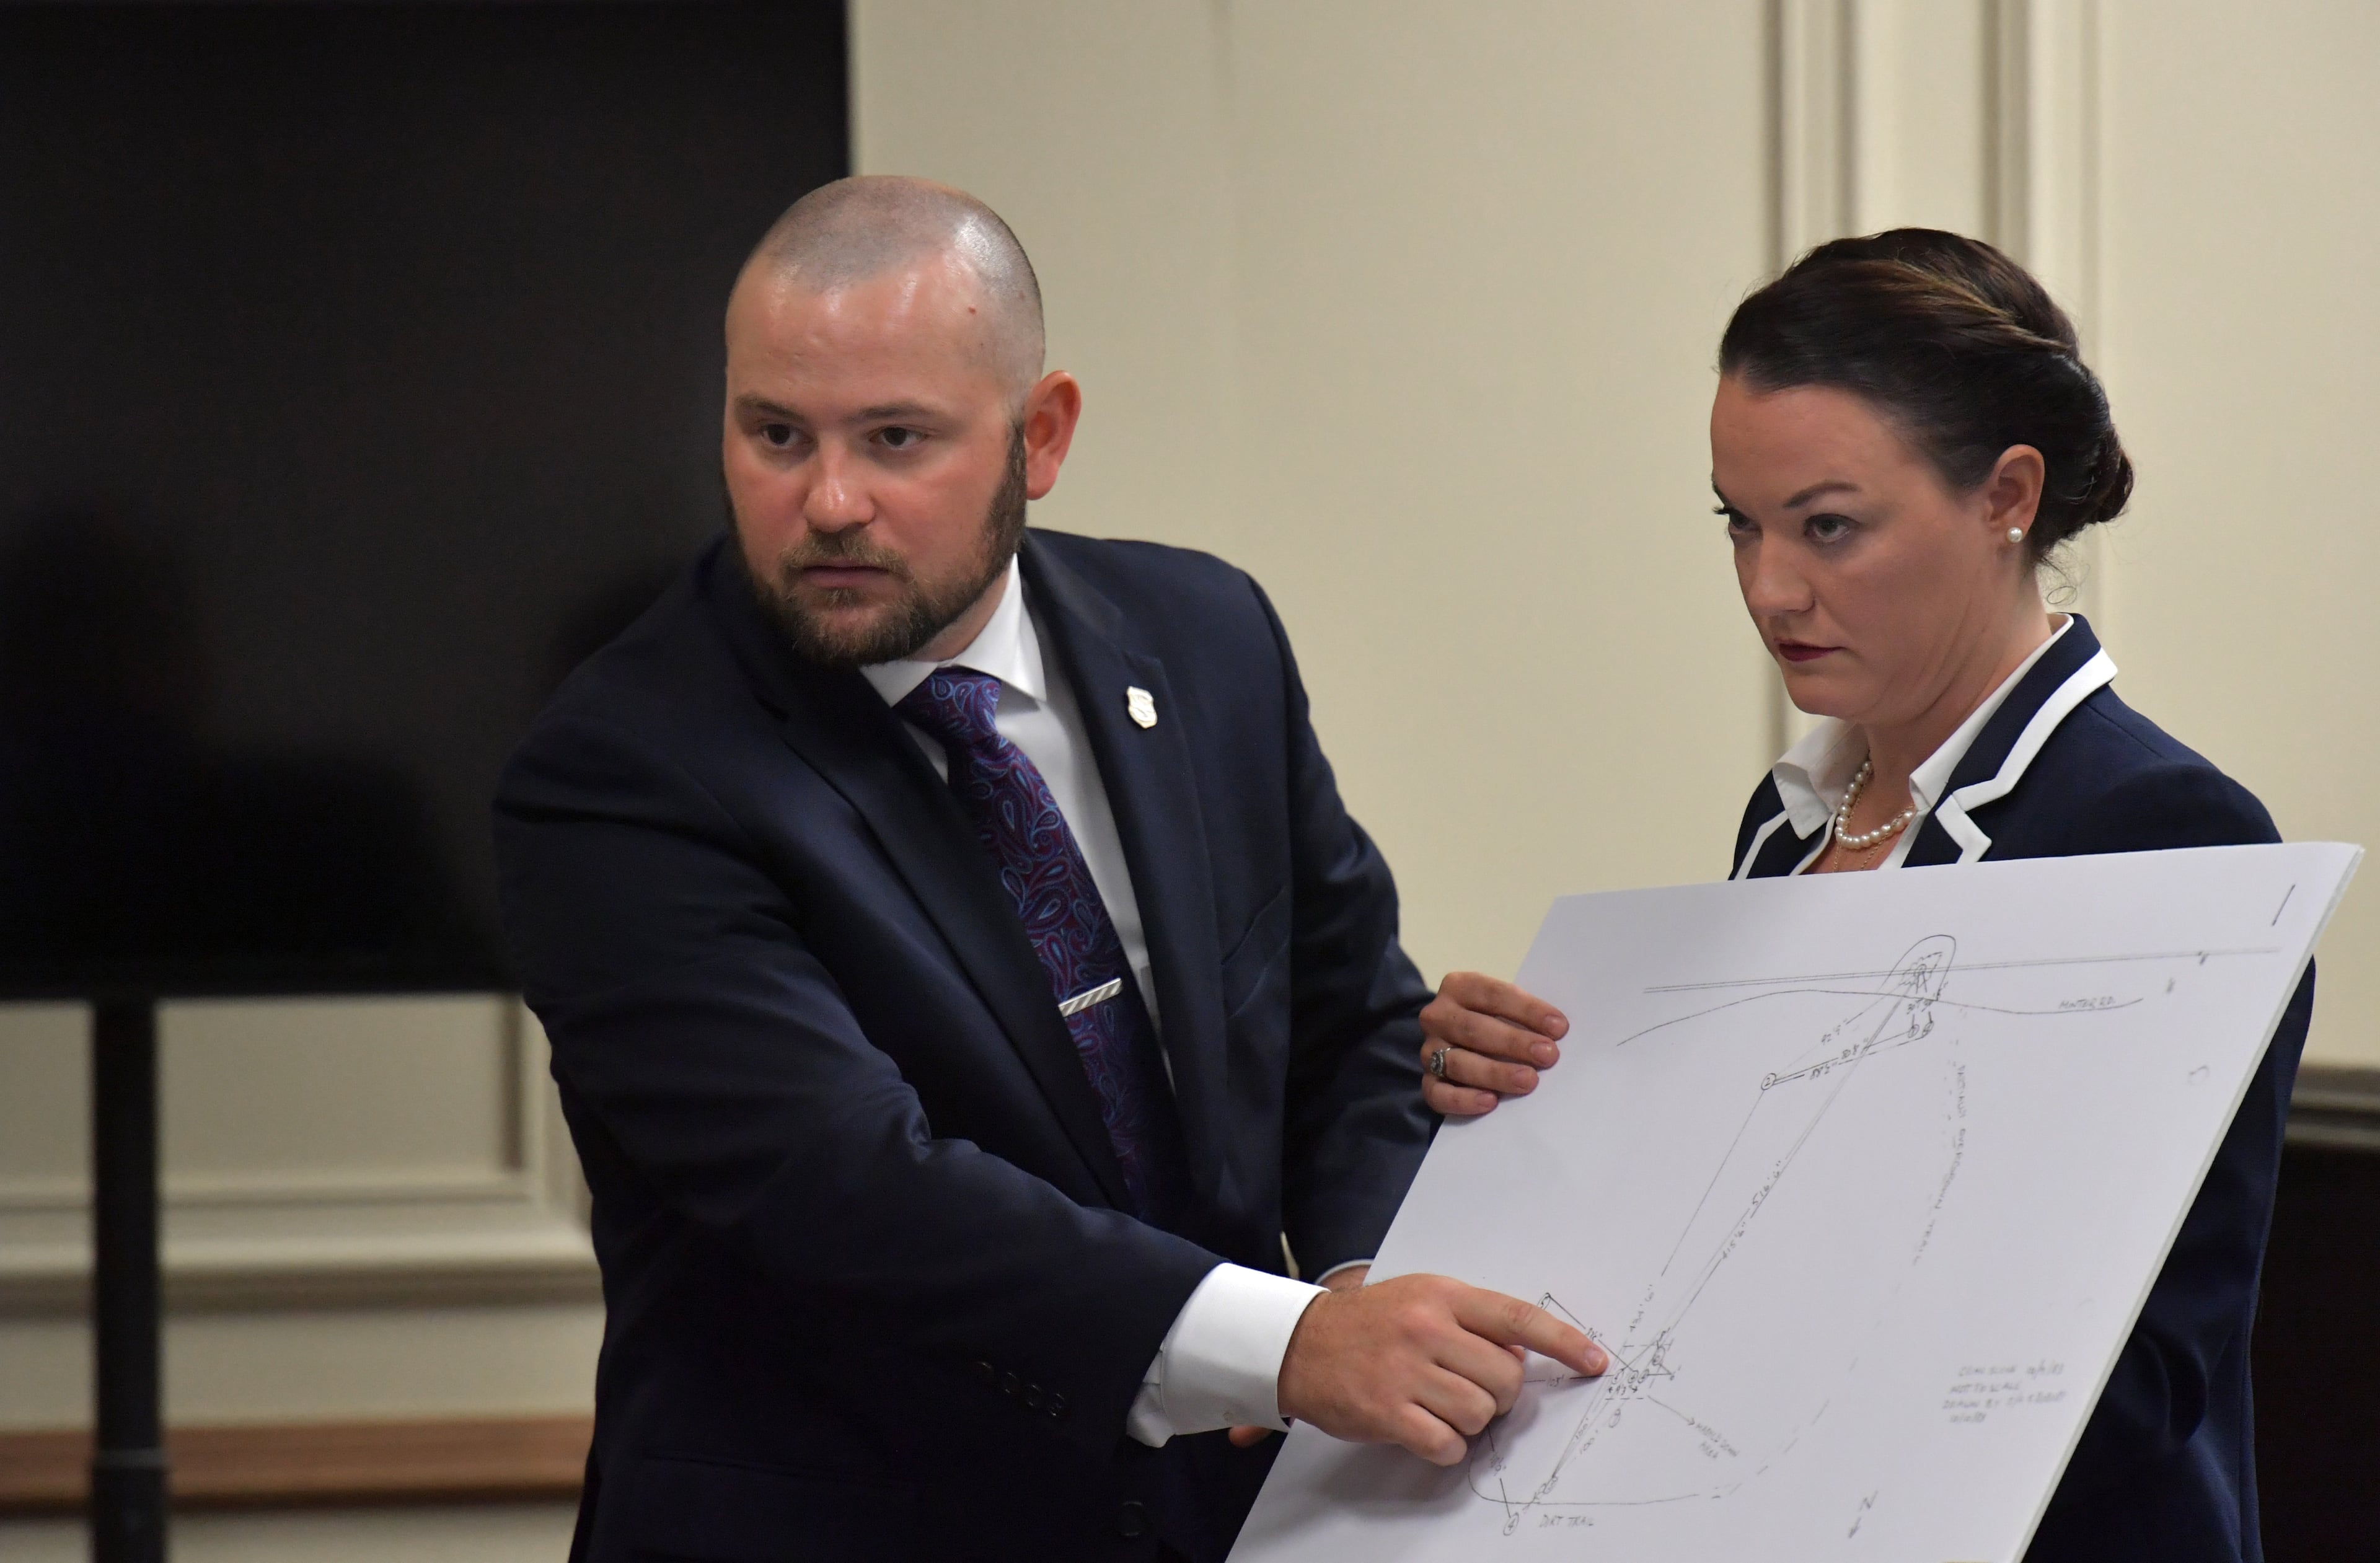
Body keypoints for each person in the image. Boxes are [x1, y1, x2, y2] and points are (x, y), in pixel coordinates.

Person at [493, 175, 1605, 1563]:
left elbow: (1348, 1029)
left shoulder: (1204, 637)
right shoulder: (621, 768)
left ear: (1044, 432)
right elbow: (850, 1190)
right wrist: (1289, 1343)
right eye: (775, 434)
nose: (828, 499)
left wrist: (1362, 1283)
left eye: (895, 438)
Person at [1417, 229, 2312, 1562]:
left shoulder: (2164, 830)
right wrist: (1531, 1111)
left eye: (1829, 525)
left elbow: (2137, 1378)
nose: (1772, 587)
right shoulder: (1795, 822)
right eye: (1741, 522)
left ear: (2009, 493)